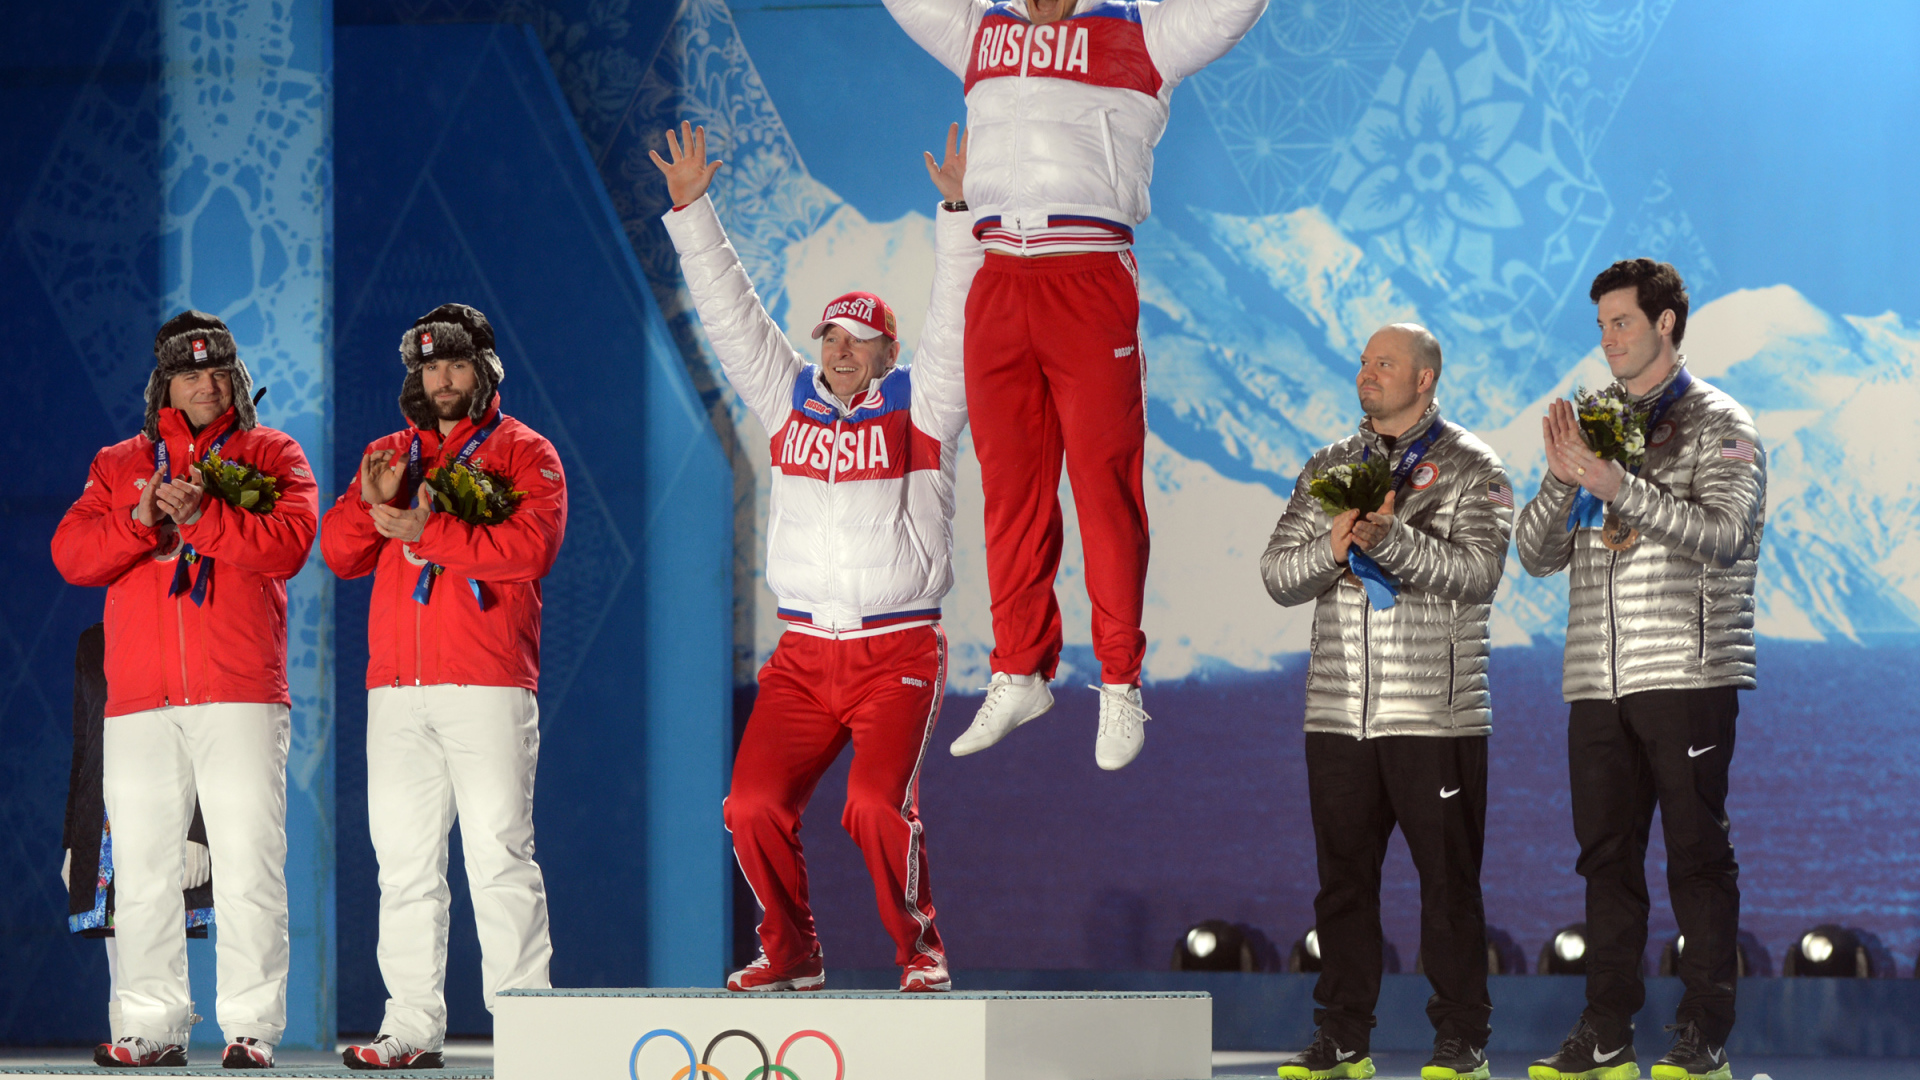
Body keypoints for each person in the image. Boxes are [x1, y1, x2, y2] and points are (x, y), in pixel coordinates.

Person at [879, 0, 1268, 769]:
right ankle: (1019, 670)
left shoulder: (1143, 33)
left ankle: (1120, 684)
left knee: (1103, 486)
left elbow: (1230, 10)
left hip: (1087, 275)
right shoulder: (981, 32)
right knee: (1011, 490)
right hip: (997, 279)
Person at [651, 120, 982, 993]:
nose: (837, 348)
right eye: (829, 335)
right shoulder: (785, 400)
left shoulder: (926, 409)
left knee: (872, 807)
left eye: (857, 337)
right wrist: (692, 212)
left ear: (888, 353)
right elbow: (733, 313)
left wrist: (957, 213)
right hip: (802, 658)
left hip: (896, 653)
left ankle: (921, 951)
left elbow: (956, 325)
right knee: (751, 806)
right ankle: (792, 952)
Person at [1517, 260, 1764, 1080]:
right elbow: (1533, 554)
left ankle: (1703, 1036)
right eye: (1600, 326)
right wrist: (1565, 481)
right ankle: (1608, 1033)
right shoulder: (1589, 427)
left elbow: (1726, 533)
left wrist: (1618, 486)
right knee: (1606, 862)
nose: (1608, 339)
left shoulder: (1722, 421)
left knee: (1696, 857)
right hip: (1595, 679)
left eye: (1621, 321)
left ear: (1665, 324)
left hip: (1688, 673)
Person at [51, 310, 318, 1069]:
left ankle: (251, 1028)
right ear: (163, 383)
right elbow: (71, 553)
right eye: (189, 372)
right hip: (138, 698)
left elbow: (290, 546)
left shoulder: (272, 454)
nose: (206, 383)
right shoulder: (117, 463)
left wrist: (204, 518)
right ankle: (152, 1023)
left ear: (234, 377)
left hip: (238, 692)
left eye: (217, 371)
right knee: (139, 870)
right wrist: (137, 525)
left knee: (249, 864)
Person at [1260, 325, 1512, 1080]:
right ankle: (1342, 1039)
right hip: (1338, 714)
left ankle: (1460, 1041)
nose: (1366, 373)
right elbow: (1277, 575)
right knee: (1341, 884)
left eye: (1385, 363)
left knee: (1448, 886)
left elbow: (1480, 574)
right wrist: (1335, 548)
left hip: (1434, 714)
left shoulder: (1474, 467)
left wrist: (1391, 540)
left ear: (1426, 378)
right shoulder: (1329, 465)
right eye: (1366, 362)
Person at [321, 303, 567, 1070]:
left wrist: (423, 531)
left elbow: (532, 550)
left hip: (485, 682)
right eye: (430, 368)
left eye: (456, 365)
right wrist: (373, 506)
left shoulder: (527, 452)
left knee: (498, 856)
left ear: (484, 369)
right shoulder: (389, 452)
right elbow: (337, 552)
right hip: (395, 690)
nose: (443, 380)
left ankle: (526, 1029)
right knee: (403, 868)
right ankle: (411, 1026)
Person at [61, 623, 215, 1048]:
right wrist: (74, 839)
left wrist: (197, 829)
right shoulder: (92, 640)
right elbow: (84, 741)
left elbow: (203, 736)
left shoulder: (181, 628)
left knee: (160, 920)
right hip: (104, 812)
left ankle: (169, 1035)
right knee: (116, 932)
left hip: (164, 799)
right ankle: (129, 1040)